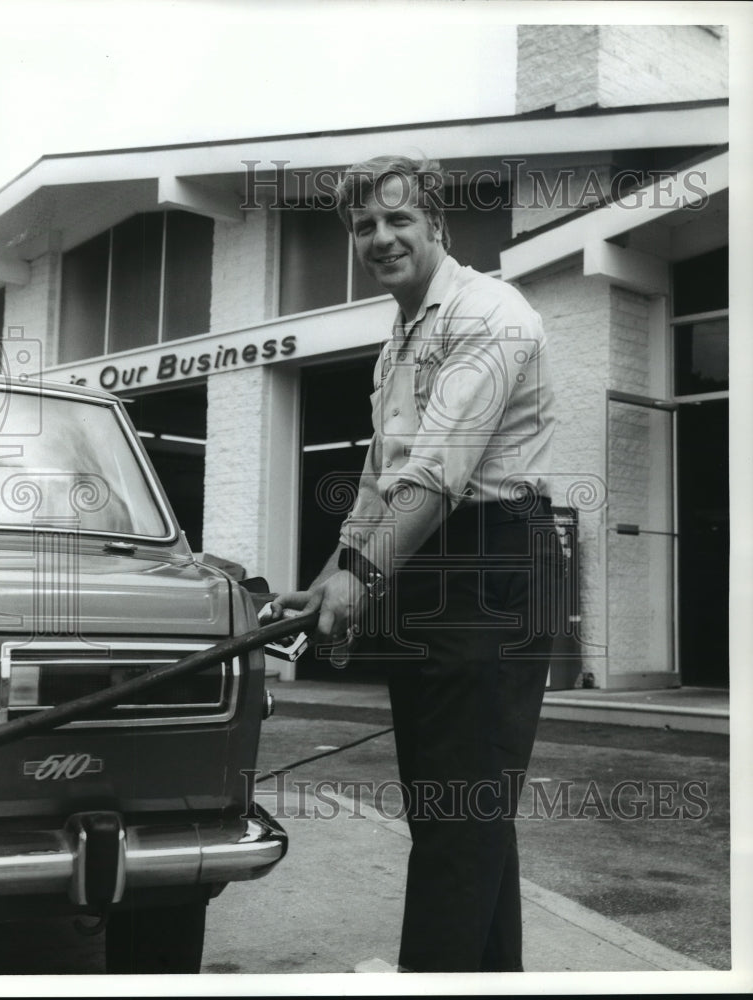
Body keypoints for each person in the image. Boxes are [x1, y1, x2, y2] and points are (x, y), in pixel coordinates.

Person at [266, 155, 560, 973]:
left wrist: (359, 582)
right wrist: (331, 576)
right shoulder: (399, 337)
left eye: (398, 219)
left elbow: (437, 472)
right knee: (454, 812)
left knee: (459, 813)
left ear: (437, 224)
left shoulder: (489, 312)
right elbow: (378, 482)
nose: (380, 237)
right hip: (428, 562)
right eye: (364, 225)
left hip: (492, 559)